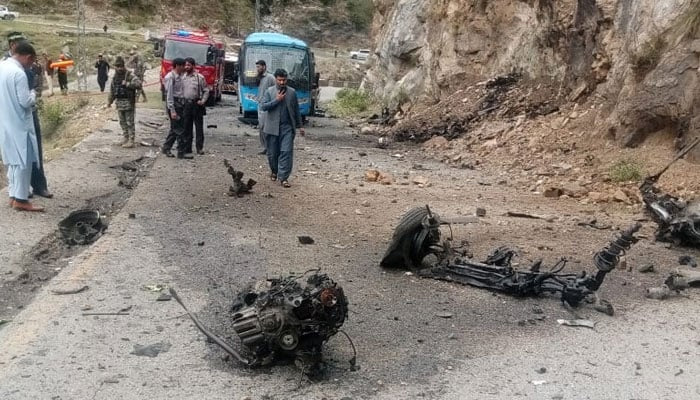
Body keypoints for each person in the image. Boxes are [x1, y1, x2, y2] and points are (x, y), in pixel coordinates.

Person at [0, 41, 44, 212]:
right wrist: (33, 93)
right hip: (19, 123)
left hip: (5, 120)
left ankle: (13, 194)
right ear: (28, 57)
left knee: (11, 161)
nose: (30, 65)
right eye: (31, 62)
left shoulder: (2, 66)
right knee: (23, 161)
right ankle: (21, 199)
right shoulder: (18, 73)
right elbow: (25, 102)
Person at [261, 68, 304, 188]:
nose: (282, 83)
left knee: (286, 152)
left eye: (284, 80)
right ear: (275, 79)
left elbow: (296, 111)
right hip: (271, 128)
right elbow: (263, 107)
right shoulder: (269, 91)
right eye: (279, 80)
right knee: (273, 153)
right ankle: (274, 171)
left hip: (287, 127)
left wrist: (300, 126)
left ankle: (284, 178)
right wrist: (276, 100)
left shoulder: (292, 92)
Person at [27, 54, 52, 199]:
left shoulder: (31, 68)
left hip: (31, 111)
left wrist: (35, 94)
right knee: (17, 155)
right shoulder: (7, 66)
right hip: (13, 115)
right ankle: (21, 189)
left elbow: (37, 87)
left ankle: (39, 186)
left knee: (36, 149)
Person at [107, 56, 141, 148]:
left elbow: (139, 84)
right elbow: (112, 90)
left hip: (128, 102)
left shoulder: (129, 75)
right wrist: (109, 102)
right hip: (119, 102)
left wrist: (128, 84)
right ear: (115, 67)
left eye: (121, 66)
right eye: (117, 66)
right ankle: (125, 138)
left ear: (123, 66)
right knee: (122, 122)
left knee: (130, 122)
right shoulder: (115, 77)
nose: (119, 68)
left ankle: (131, 140)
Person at [181, 57, 210, 155]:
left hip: (196, 105)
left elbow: (206, 90)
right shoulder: (182, 77)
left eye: (189, 65)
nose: (186, 67)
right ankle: (187, 147)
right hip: (186, 105)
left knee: (199, 127)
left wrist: (203, 101)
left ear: (193, 66)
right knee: (186, 127)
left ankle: (199, 148)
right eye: (185, 65)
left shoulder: (199, 77)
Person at [163, 58, 190, 159]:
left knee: (176, 128)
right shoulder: (170, 77)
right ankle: (180, 152)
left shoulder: (180, 76)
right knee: (179, 129)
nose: (184, 68)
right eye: (183, 66)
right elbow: (169, 95)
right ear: (177, 66)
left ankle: (167, 148)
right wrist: (172, 110)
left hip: (180, 104)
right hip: (174, 104)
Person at [255, 59, 276, 155]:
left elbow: (275, 90)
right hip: (260, 105)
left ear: (264, 67)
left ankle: (269, 148)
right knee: (261, 128)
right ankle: (265, 147)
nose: (257, 69)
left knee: (265, 128)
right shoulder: (260, 78)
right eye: (257, 67)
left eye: (259, 67)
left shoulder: (270, 77)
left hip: (267, 107)